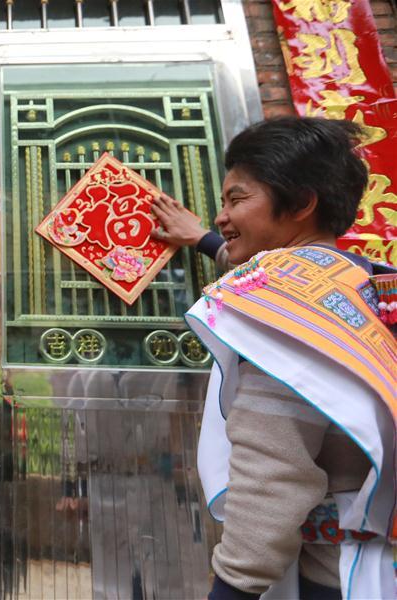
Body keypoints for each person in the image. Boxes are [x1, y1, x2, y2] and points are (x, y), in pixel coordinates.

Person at [153, 117, 395, 599]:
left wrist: (232, 589)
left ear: (302, 202)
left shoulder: (285, 309)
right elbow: (251, 262)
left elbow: (275, 473)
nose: (221, 217)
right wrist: (201, 240)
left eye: (237, 199)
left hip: (333, 578)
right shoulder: (363, 280)